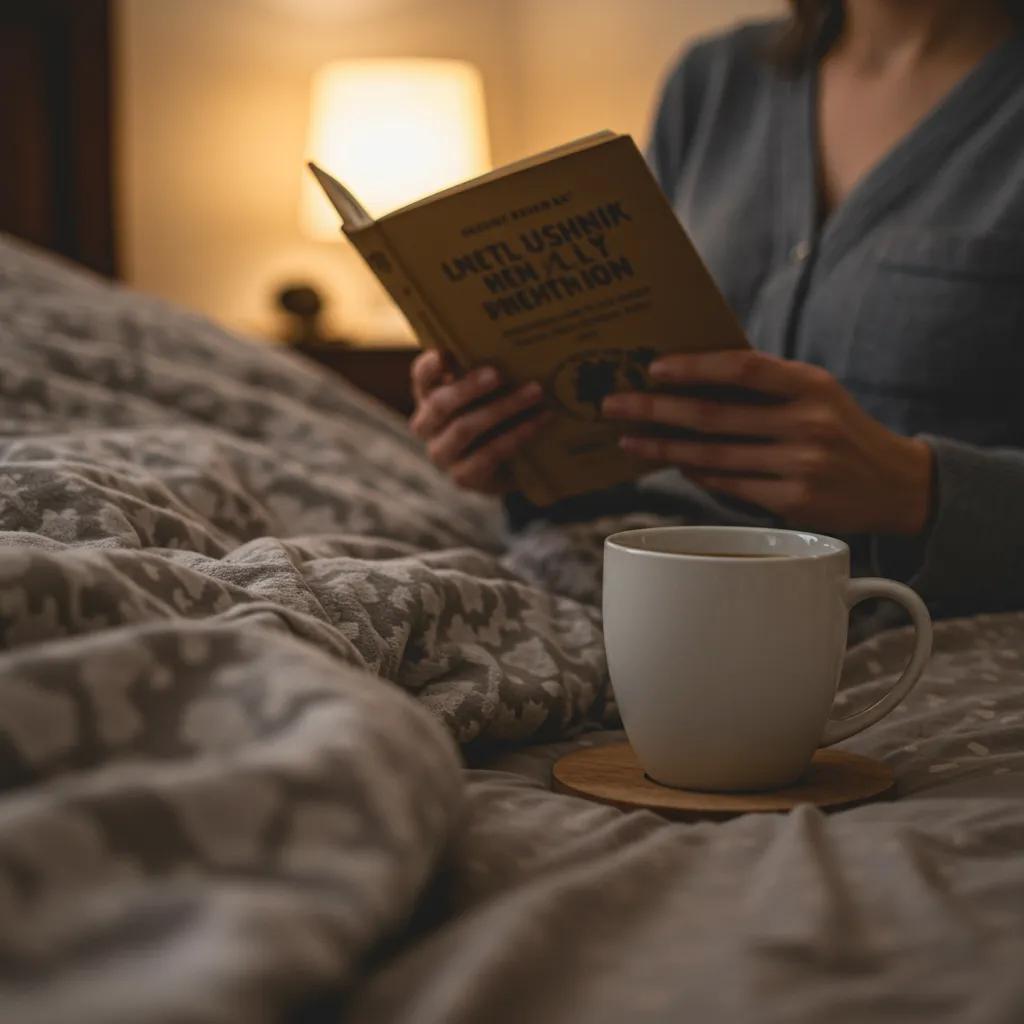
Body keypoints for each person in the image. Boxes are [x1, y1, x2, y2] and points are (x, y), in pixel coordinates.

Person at [409, 0, 1024, 620]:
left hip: (900, 615)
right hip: (632, 567)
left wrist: (918, 491)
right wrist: (520, 446)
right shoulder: (716, 79)